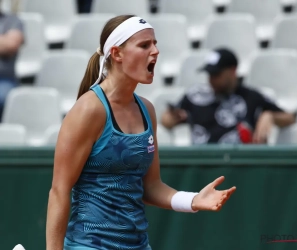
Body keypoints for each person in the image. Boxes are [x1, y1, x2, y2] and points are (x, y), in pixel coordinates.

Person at [46, 15, 236, 250]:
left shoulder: (147, 110)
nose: (155, 51)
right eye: (145, 45)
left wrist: (193, 200)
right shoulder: (88, 109)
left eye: (155, 43)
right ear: (117, 54)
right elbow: (59, 190)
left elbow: (151, 186)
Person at [161, 48, 296, 144]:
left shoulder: (251, 97)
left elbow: (290, 118)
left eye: (216, 75)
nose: (211, 80)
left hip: (240, 167)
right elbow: (166, 120)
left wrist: (270, 116)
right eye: (209, 75)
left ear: (233, 71)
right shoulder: (195, 96)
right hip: (202, 166)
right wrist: (172, 118)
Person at [0, 6, 24, 121]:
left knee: (3, 97)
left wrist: (6, 43)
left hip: (4, 80)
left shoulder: (13, 20)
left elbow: (11, 45)